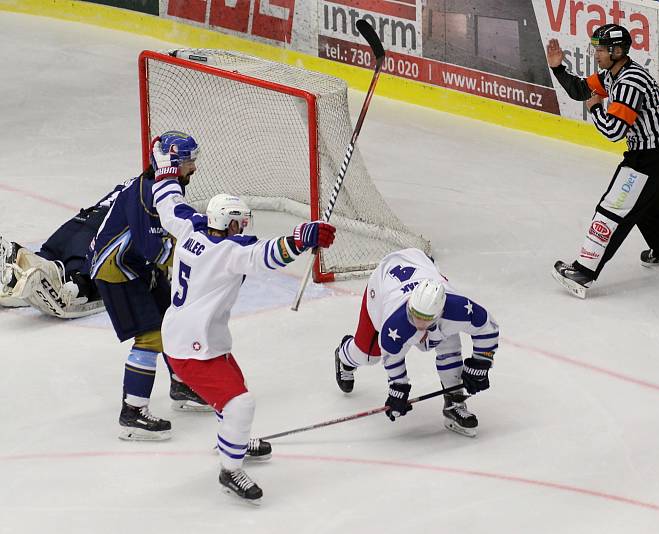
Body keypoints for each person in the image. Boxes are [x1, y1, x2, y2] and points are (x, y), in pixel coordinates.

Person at [152, 176, 337, 504]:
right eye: (238, 222)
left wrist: (166, 172)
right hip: (193, 346)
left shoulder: (190, 228)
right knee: (240, 403)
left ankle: (232, 440)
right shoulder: (228, 252)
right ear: (226, 222)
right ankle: (230, 469)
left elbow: (169, 205)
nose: (242, 227)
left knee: (233, 396)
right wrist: (301, 239)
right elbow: (266, 255)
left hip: (193, 335)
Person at [546, 24, 659, 299]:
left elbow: (614, 131)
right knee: (650, 206)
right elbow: (580, 89)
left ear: (617, 51)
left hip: (649, 157)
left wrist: (596, 109)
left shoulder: (629, 82)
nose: (596, 53)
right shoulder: (613, 74)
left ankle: (583, 272)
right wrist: (558, 69)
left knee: (613, 209)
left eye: (601, 49)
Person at [88, 131, 211, 441]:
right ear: (172, 163)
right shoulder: (148, 192)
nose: (194, 168)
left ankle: (180, 384)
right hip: (117, 268)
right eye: (189, 162)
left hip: (139, 266)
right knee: (151, 335)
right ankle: (133, 411)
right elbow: (151, 247)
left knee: (174, 323)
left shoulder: (165, 187)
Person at [333, 248, 499, 437]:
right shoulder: (395, 324)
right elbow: (392, 356)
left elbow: (488, 328)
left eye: (425, 319)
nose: (418, 323)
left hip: (421, 266)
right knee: (368, 355)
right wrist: (398, 388)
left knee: (449, 342)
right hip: (383, 284)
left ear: (439, 313)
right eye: (414, 315)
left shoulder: (459, 309)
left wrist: (480, 363)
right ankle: (344, 356)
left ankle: (454, 403)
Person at [0, 184, 124, 317]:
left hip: (78, 223)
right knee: (77, 264)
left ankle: (20, 275)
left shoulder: (131, 185)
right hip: (91, 228)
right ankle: (75, 285)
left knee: (49, 255)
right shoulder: (143, 192)